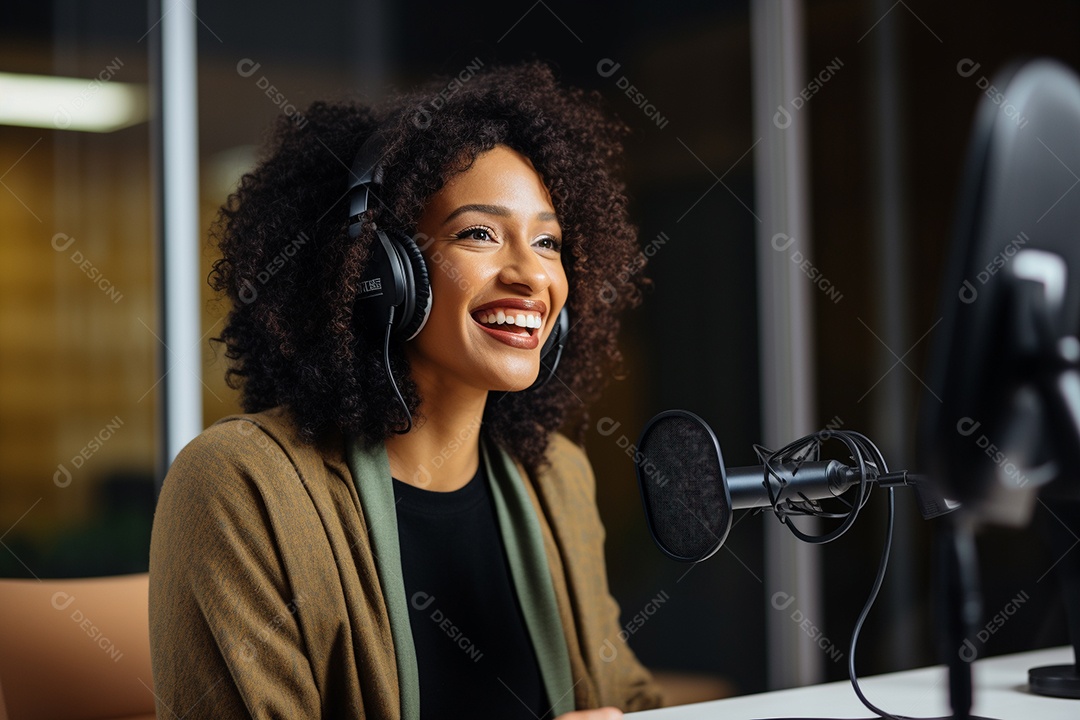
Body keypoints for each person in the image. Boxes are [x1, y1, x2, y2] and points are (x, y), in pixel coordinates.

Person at [148, 62, 664, 719]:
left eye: (548, 242)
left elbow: (626, 699)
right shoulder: (239, 484)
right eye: (479, 234)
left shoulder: (556, 477)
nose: (532, 275)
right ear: (382, 275)